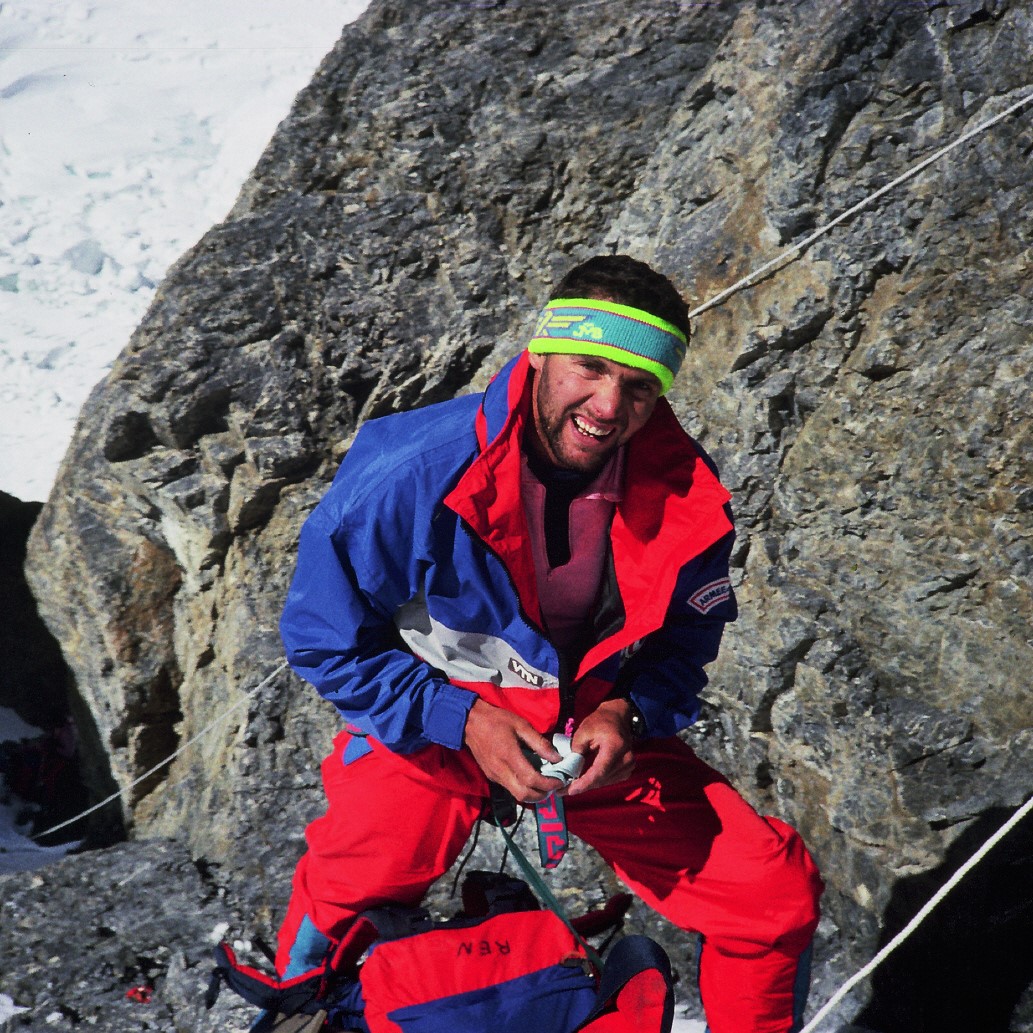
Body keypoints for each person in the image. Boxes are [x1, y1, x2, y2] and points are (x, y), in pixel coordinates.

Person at [276, 255, 823, 1033]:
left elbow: (686, 638)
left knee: (770, 897)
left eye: (640, 387)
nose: (609, 405)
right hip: (429, 731)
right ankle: (294, 1011)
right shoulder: (413, 475)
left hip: (586, 740)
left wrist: (627, 714)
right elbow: (323, 639)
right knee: (349, 892)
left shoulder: (682, 491)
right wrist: (460, 719)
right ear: (540, 353)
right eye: (589, 368)